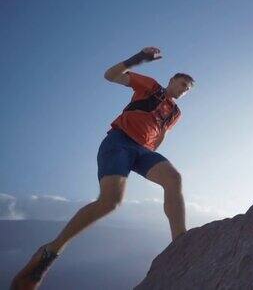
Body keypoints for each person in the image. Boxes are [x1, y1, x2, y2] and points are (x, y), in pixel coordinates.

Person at [11, 46, 195, 290]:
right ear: (171, 80)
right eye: (181, 84)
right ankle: (51, 250)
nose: (183, 90)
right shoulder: (150, 86)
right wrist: (138, 59)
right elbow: (110, 76)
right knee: (110, 202)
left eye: (187, 89)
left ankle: (180, 243)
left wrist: (151, 152)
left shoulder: (175, 113)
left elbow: (160, 134)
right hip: (119, 142)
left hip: (143, 151)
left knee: (173, 178)